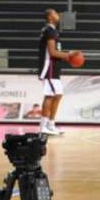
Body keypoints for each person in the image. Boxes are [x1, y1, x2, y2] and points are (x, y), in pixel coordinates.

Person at [39, 8, 74, 136]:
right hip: (49, 67)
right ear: (49, 17)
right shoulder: (49, 30)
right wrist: (69, 56)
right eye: (54, 13)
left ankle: (51, 124)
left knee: (58, 95)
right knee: (50, 95)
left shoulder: (52, 31)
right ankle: (43, 126)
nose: (58, 14)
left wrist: (67, 56)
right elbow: (52, 52)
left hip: (54, 67)